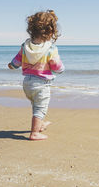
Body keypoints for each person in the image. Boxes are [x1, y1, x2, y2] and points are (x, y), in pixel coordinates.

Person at [8, 10, 65, 140]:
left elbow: (16, 61)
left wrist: (12, 65)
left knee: (37, 105)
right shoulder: (50, 48)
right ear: (50, 32)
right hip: (42, 84)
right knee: (40, 108)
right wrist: (61, 69)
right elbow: (56, 66)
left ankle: (39, 125)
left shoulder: (25, 46)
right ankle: (34, 133)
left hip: (27, 83)